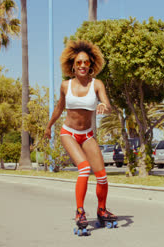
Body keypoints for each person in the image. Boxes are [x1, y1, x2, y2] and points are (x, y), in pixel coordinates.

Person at [44, 40, 117, 229]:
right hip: (68, 133)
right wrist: (48, 126)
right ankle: (80, 211)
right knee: (84, 169)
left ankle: (102, 209)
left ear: (91, 65)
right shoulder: (65, 86)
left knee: (101, 175)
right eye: (79, 63)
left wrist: (103, 106)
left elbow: (108, 106)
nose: (83, 65)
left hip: (87, 135)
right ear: (73, 66)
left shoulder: (97, 84)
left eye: (86, 62)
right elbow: (59, 108)